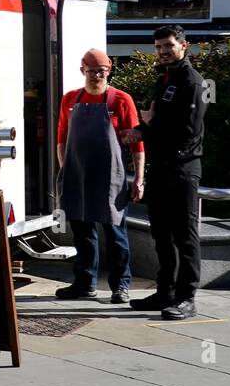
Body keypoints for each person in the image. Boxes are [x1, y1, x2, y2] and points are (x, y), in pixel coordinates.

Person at [123, 24, 206, 320]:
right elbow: (158, 122)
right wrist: (139, 130)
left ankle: (186, 298)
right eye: (158, 47)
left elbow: (186, 131)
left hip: (182, 170)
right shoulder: (165, 78)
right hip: (161, 169)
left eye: (168, 45)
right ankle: (166, 292)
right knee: (160, 233)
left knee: (185, 236)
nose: (163, 52)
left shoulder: (192, 82)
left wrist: (151, 125)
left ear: (183, 45)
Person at [55, 48, 144, 303]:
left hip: (111, 179)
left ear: (109, 70)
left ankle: (121, 286)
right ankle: (84, 283)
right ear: (82, 70)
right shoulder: (70, 99)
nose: (97, 75)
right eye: (92, 70)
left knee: (116, 234)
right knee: (83, 235)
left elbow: (137, 144)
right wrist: (65, 170)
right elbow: (62, 138)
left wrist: (138, 179)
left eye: (102, 71)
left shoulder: (121, 100)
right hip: (77, 176)